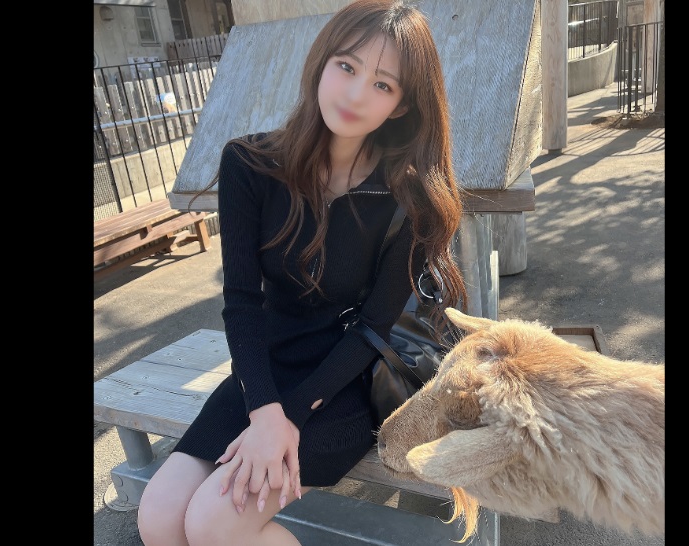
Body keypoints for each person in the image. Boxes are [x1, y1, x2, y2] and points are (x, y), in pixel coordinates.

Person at [137, 1, 467, 544]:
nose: (356, 94)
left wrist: (288, 416)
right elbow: (242, 302)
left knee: (212, 524)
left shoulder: (410, 196)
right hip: (264, 369)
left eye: (382, 85)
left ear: (403, 104)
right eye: (347, 66)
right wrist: (264, 409)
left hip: (346, 380)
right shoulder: (249, 165)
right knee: (159, 518)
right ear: (321, 61)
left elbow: (373, 327)